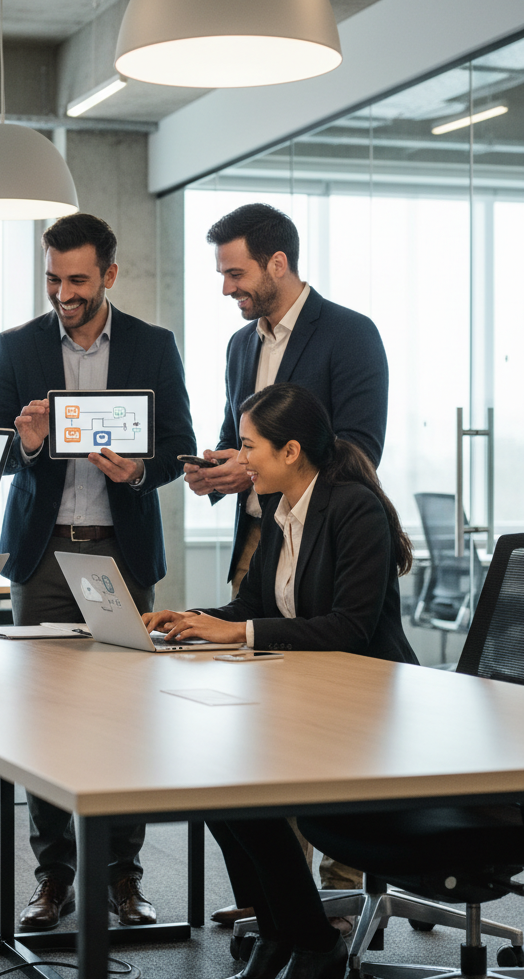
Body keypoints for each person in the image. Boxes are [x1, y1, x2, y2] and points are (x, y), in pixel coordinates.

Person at [146, 381, 418, 979]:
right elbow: (253, 608)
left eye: (249, 447)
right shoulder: (277, 512)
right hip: (308, 700)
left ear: (291, 451)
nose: (239, 460)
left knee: (247, 796)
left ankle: (309, 940)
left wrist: (236, 630)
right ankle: (282, 933)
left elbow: (350, 628)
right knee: (216, 789)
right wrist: (186, 618)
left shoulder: (353, 509)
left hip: (369, 709)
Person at [0, 212, 195, 931]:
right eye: (52, 279)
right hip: (43, 558)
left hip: (119, 553)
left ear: (109, 273)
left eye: (77, 280)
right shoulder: (16, 349)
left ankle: (123, 880)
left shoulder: (152, 347)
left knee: (124, 725)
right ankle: (53, 880)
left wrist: (140, 470)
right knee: (42, 726)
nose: (63, 293)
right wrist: (29, 443)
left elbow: (180, 449)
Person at [183, 202, 388, 921]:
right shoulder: (244, 345)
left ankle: (330, 894)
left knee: (307, 736)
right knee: (259, 736)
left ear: (277, 263)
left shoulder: (348, 335)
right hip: (265, 537)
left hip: (329, 541)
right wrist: (218, 471)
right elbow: (240, 439)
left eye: (234, 272)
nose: (226, 288)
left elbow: (356, 442)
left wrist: (260, 470)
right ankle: (284, 902)